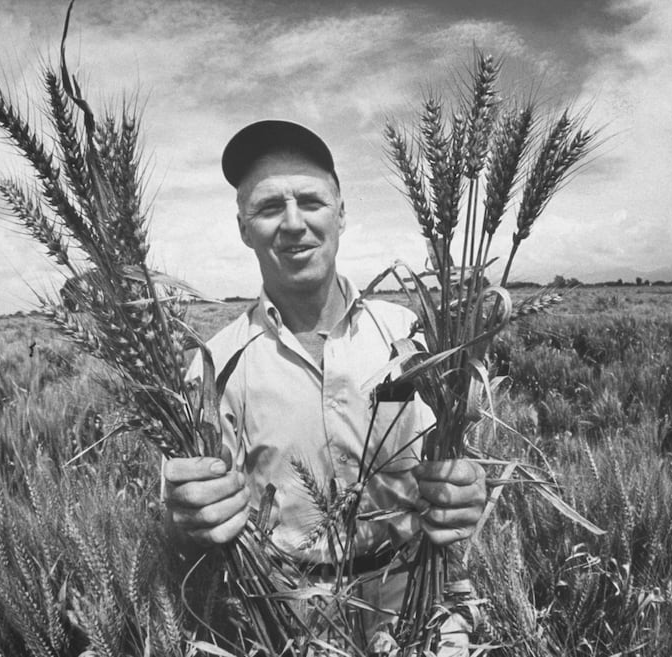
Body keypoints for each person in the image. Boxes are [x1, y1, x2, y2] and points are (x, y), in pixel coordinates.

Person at [163, 120, 486, 635]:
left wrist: (466, 488)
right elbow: (191, 511)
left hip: (419, 593)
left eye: (310, 201)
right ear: (244, 228)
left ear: (341, 213)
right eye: (269, 207)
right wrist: (188, 518)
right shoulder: (214, 365)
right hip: (286, 614)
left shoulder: (414, 334)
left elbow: (459, 458)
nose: (293, 223)